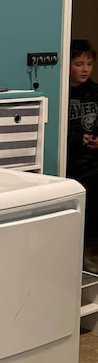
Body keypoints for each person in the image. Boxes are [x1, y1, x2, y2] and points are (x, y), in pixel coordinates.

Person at [67, 39, 98, 270]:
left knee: (94, 215)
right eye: (79, 63)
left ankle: (90, 257)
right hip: (69, 167)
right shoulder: (62, 94)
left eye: (89, 63)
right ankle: (72, 257)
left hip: (93, 166)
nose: (85, 69)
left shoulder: (95, 92)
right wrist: (76, 138)